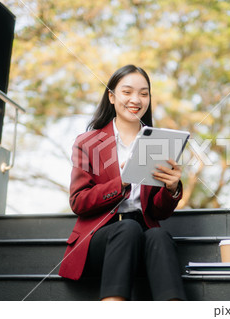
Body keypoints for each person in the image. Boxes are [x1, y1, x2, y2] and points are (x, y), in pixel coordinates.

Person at [58, 65, 187, 301]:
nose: (135, 99)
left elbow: (158, 212)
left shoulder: (157, 142)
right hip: (99, 238)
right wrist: (122, 183)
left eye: (144, 93)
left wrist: (171, 189)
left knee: (159, 236)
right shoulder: (88, 142)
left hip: (144, 235)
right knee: (127, 229)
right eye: (127, 92)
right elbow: (78, 202)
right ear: (111, 96)